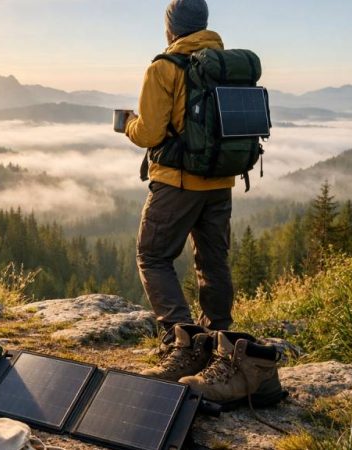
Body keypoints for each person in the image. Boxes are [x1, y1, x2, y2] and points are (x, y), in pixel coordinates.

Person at [124, 0, 235, 379]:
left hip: (177, 181)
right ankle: (221, 345)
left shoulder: (164, 68)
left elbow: (150, 133)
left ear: (171, 28)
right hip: (221, 180)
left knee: (153, 255)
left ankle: (182, 342)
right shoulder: (225, 65)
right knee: (213, 261)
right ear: (203, 24)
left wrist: (128, 125)